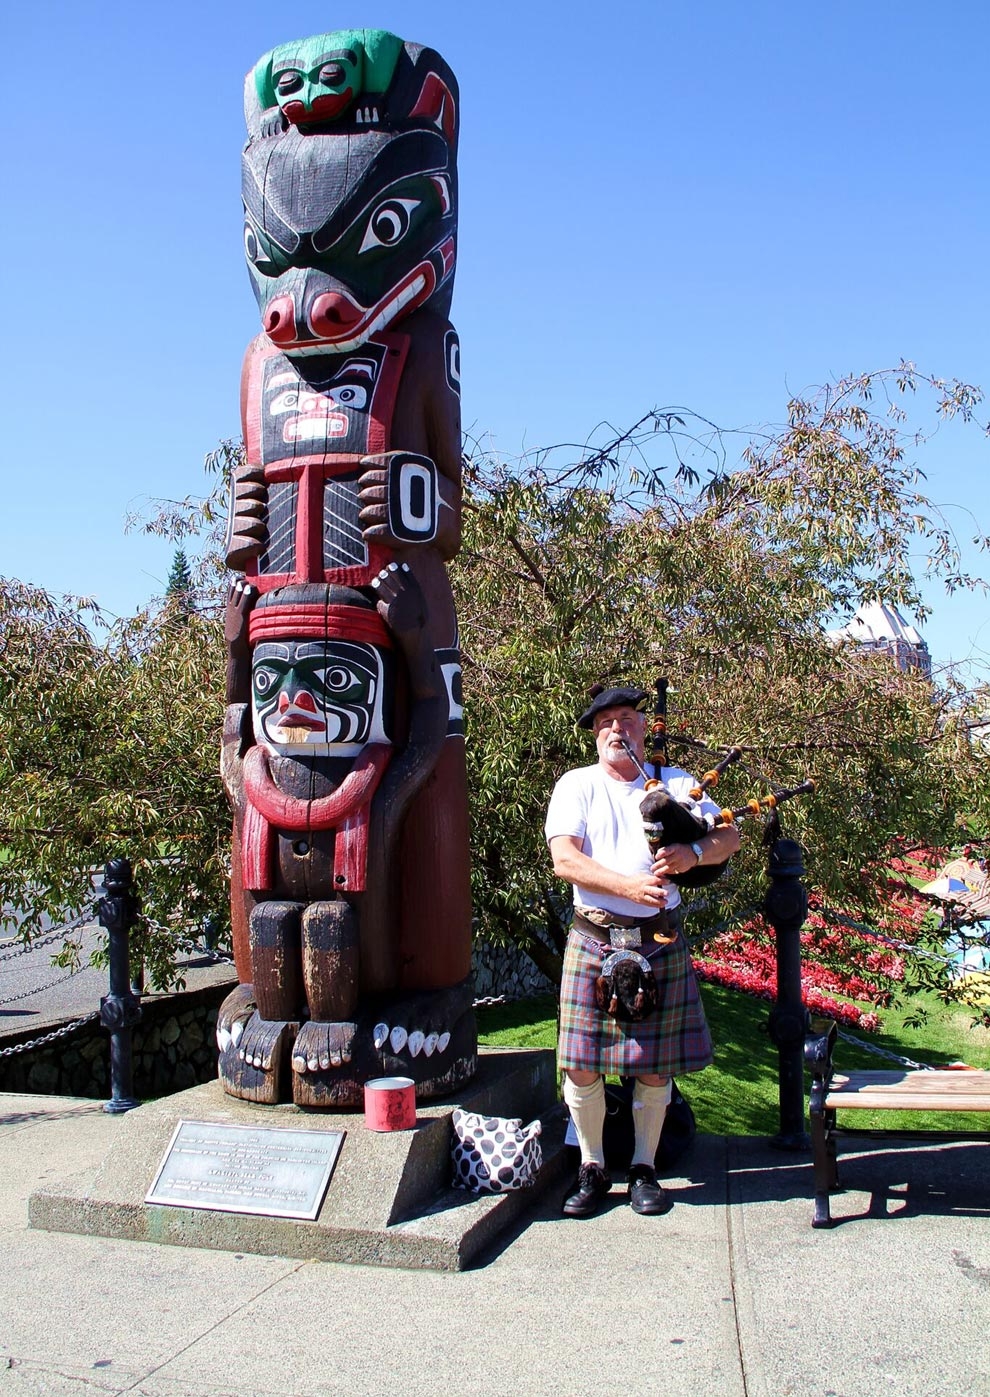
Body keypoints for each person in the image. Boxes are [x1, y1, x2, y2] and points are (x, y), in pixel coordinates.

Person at [546, 684, 741, 1217]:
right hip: (594, 935)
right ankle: (591, 1166)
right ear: (594, 735)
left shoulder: (676, 785)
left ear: (643, 728)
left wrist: (694, 852)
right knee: (583, 1067)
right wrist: (627, 888)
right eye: (606, 722)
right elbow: (566, 861)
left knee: (654, 1067)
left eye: (628, 719)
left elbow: (730, 838)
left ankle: (643, 1168)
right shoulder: (576, 785)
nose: (618, 729)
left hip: (658, 940)